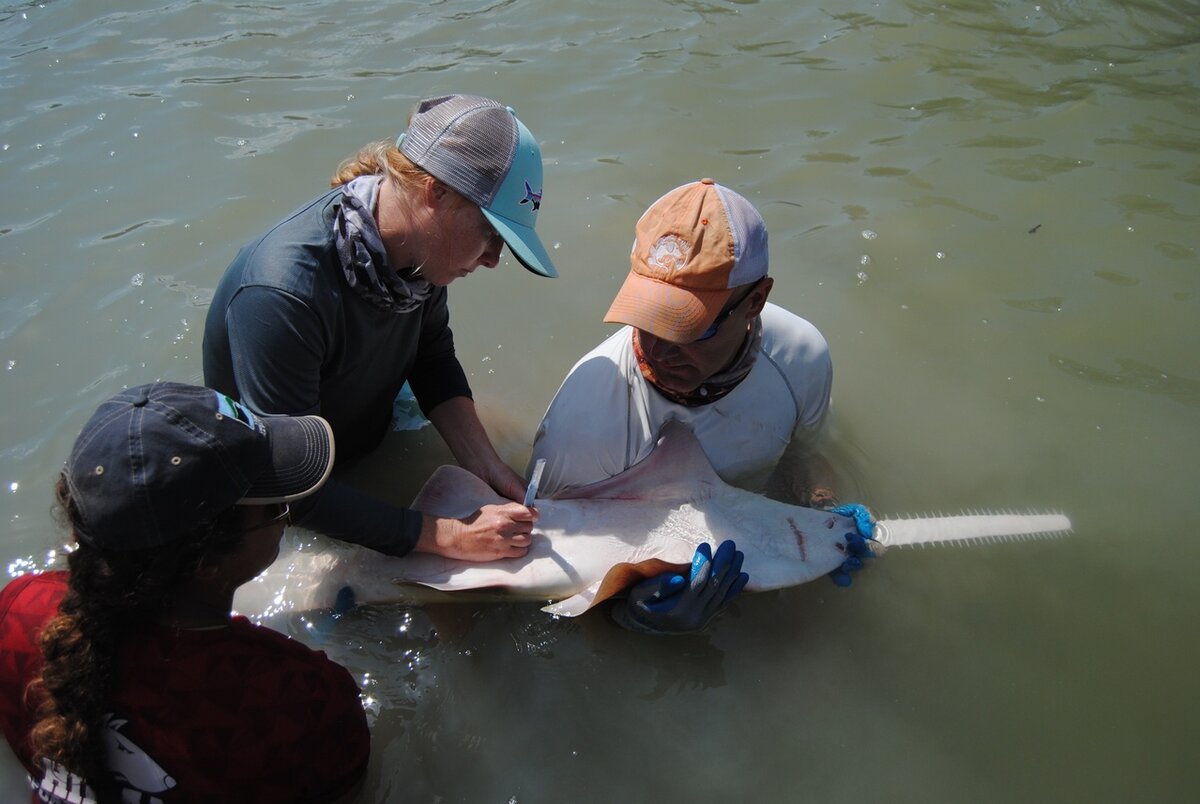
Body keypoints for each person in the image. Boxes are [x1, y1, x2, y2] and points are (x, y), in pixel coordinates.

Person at [203, 94, 555, 563]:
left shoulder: (424, 253)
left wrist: (484, 463)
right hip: (286, 493)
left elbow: (431, 357)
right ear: (437, 192)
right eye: (492, 232)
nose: (493, 259)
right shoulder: (282, 293)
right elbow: (292, 488)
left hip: (364, 431)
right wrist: (447, 535)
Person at [0, 382, 369, 803]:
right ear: (206, 564)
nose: (284, 520)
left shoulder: (17, 613)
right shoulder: (303, 701)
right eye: (275, 507)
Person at [528, 178, 850, 633]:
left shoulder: (802, 359)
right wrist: (632, 617)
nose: (659, 349)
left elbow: (803, 457)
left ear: (755, 300)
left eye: (689, 327)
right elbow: (540, 588)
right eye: (648, 315)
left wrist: (823, 511)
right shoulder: (581, 426)